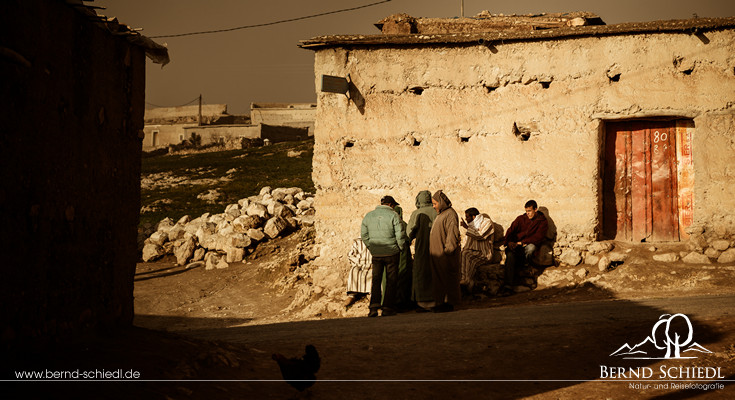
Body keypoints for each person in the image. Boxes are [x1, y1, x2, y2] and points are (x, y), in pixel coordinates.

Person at [360, 195, 405, 317]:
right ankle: (387, 308)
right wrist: (400, 248)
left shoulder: (369, 216)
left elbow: (364, 235)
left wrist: (372, 247)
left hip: (376, 253)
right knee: (391, 280)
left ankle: (373, 307)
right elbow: (400, 235)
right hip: (391, 252)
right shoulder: (394, 215)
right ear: (390, 205)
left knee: (376, 280)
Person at [502, 199, 548, 294]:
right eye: (526, 211)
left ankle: (526, 264)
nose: (528, 214)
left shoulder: (542, 221)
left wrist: (523, 242)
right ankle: (507, 286)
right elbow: (510, 231)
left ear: (535, 209)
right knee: (510, 256)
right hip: (516, 246)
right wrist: (509, 242)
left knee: (531, 248)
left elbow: (538, 237)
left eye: (530, 211)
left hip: (528, 246)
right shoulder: (520, 219)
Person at [429, 190, 461, 312]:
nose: (433, 206)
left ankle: (448, 303)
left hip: (445, 255)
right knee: (439, 279)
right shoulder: (442, 214)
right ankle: (440, 302)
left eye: (435, 204)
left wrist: (447, 251)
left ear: (441, 203)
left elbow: (452, 235)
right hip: (438, 255)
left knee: (447, 279)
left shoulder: (450, 214)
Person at [407, 190, 437, 312]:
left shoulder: (416, 213)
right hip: (436, 247)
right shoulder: (436, 211)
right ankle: (436, 301)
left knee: (421, 273)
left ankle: (422, 302)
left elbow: (409, 233)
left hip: (422, 248)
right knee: (434, 272)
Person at [460, 207, 495, 292]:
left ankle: (465, 281)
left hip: (484, 254)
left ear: (474, 217)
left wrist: (466, 227)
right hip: (471, 252)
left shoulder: (487, 223)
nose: (466, 219)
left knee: (466, 255)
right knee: (462, 255)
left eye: (467, 217)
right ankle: (467, 282)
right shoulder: (471, 226)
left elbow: (480, 235)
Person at [344, 236, 372, 307]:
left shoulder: (377, 241)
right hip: (359, 264)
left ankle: (372, 295)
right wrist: (357, 262)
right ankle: (352, 295)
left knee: (373, 273)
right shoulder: (358, 242)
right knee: (354, 271)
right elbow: (350, 255)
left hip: (372, 264)